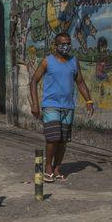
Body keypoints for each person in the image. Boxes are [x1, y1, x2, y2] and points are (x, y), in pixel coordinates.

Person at [29, 32, 95, 182]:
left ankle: (57, 168)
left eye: (68, 44)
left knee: (63, 140)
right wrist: (35, 104)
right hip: (51, 105)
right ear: (56, 45)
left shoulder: (73, 62)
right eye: (63, 44)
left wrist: (89, 101)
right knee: (53, 138)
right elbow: (33, 81)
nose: (66, 46)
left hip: (68, 107)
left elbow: (80, 82)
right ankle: (48, 167)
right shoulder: (47, 61)